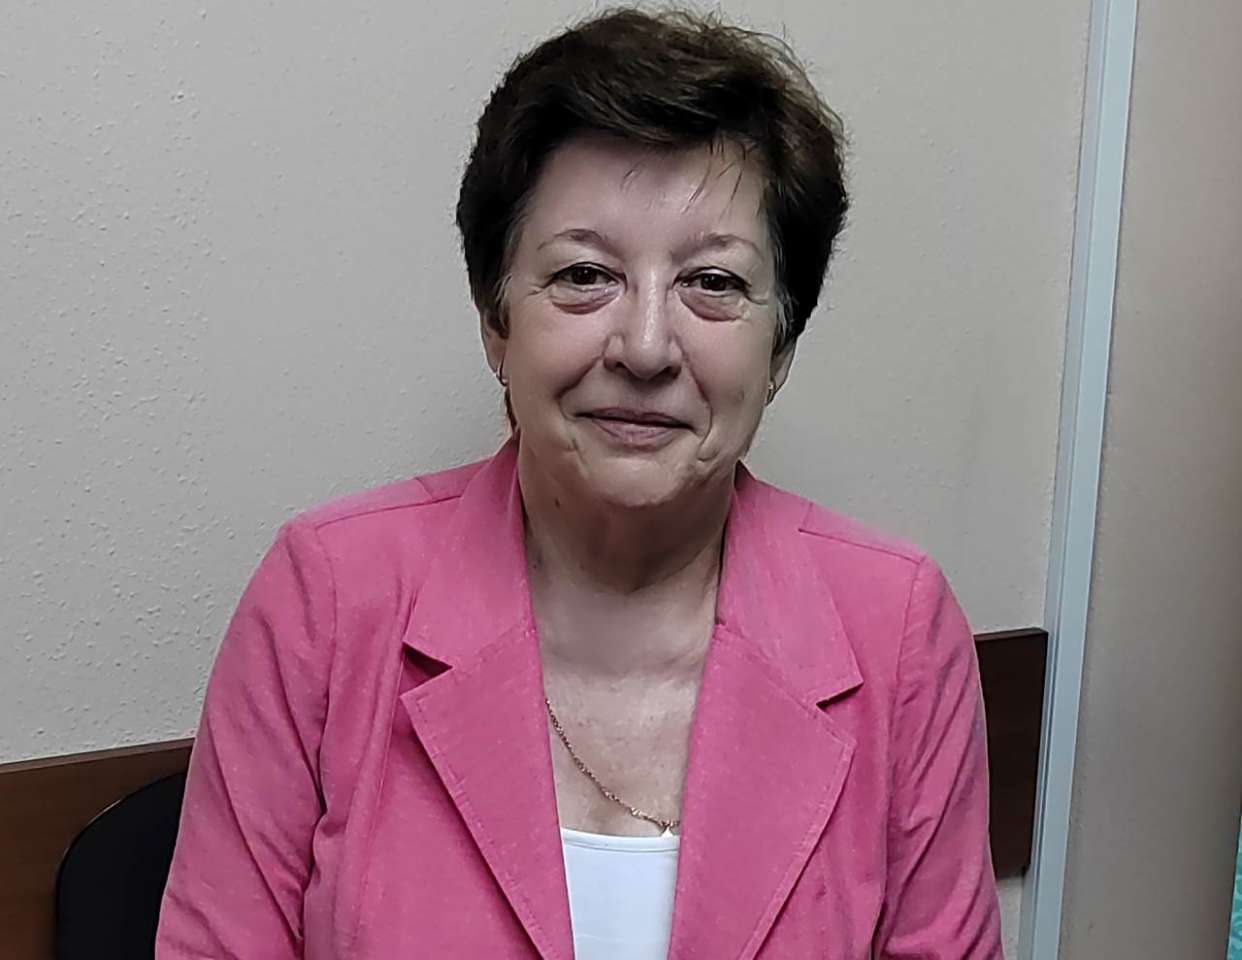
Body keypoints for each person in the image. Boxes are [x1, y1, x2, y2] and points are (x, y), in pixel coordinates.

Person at [156, 6, 1003, 958]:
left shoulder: (896, 631)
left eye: (714, 283)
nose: (645, 347)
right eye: (585, 275)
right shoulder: (329, 599)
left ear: (780, 348)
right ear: (495, 320)